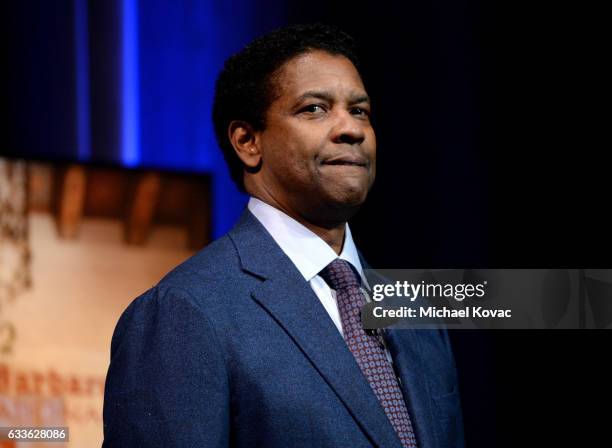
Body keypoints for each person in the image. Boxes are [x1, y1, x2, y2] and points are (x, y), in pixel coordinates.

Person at [103, 23, 464, 448]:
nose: (351, 129)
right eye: (315, 108)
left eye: (360, 110)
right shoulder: (184, 312)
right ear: (247, 141)